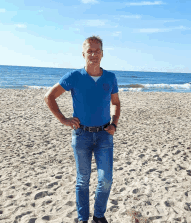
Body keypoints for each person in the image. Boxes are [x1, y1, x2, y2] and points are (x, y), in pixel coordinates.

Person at [44, 36, 121, 223]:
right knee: (83, 180)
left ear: (102, 54)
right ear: (83, 54)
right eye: (90, 51)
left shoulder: (110, 77)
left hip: (104, 135)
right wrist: (63, 119)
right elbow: (49, 97)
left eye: (97, 51)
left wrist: (114, 123)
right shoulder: (74, 77)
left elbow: (116, 103)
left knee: (106, 180)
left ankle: (98, 216)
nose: (93, 54)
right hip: (81, 135)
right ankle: (82, 218)